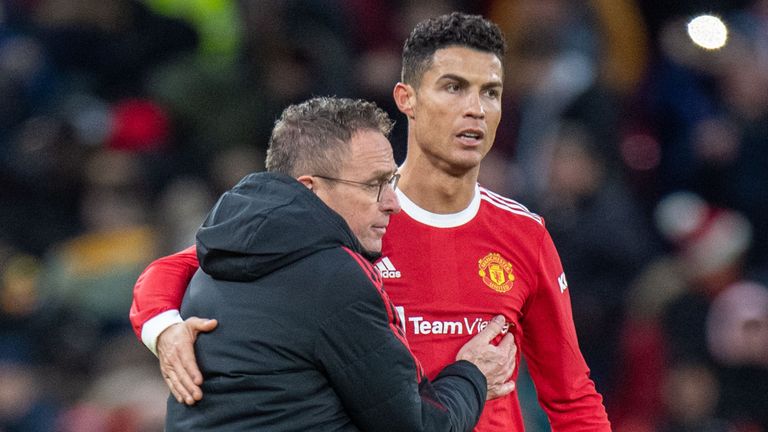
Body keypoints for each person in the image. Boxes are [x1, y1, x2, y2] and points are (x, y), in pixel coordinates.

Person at [130, 12, 611, 431]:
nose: (475, 109)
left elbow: (571, 396)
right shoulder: (353, 215)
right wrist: (165, 329)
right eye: (453, 87)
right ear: (406, 98)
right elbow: (178, 268)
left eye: (491, 92)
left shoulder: (523, 234)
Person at [161, 96, 517, 431]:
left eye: (391, 180)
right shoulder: (333, 276)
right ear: (310, 188)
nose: (393, 202)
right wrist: (473, 373)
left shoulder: (218, 253)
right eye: (374, 184)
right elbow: (417, 425)